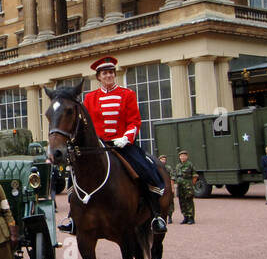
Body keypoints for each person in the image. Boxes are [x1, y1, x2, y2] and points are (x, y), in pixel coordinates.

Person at [83, 56, 167, 233]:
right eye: (105, 73)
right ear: (98, 77)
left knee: (147, 170)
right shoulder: (90, 98)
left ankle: (156, 215)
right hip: (99, 145)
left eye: (111, 72)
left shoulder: (127, 94)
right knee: (75, 175)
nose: (109, 76)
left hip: (122, 144)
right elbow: (86, 124)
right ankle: (73, 217)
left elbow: (134, 121)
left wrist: (126, 138)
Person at [170, 149, 199, 224]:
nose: (182, 157)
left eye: (184, 156)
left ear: (187, 157)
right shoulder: (178, 166)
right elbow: (173, 177)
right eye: (181, 156)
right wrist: (172, 186)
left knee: (189, 201)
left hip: (188, 186)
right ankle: (185, 217)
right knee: (182, 202)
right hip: (180, 186)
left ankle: (191, 217)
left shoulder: (189, 164)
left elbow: (195, 176)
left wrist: (191, 184)